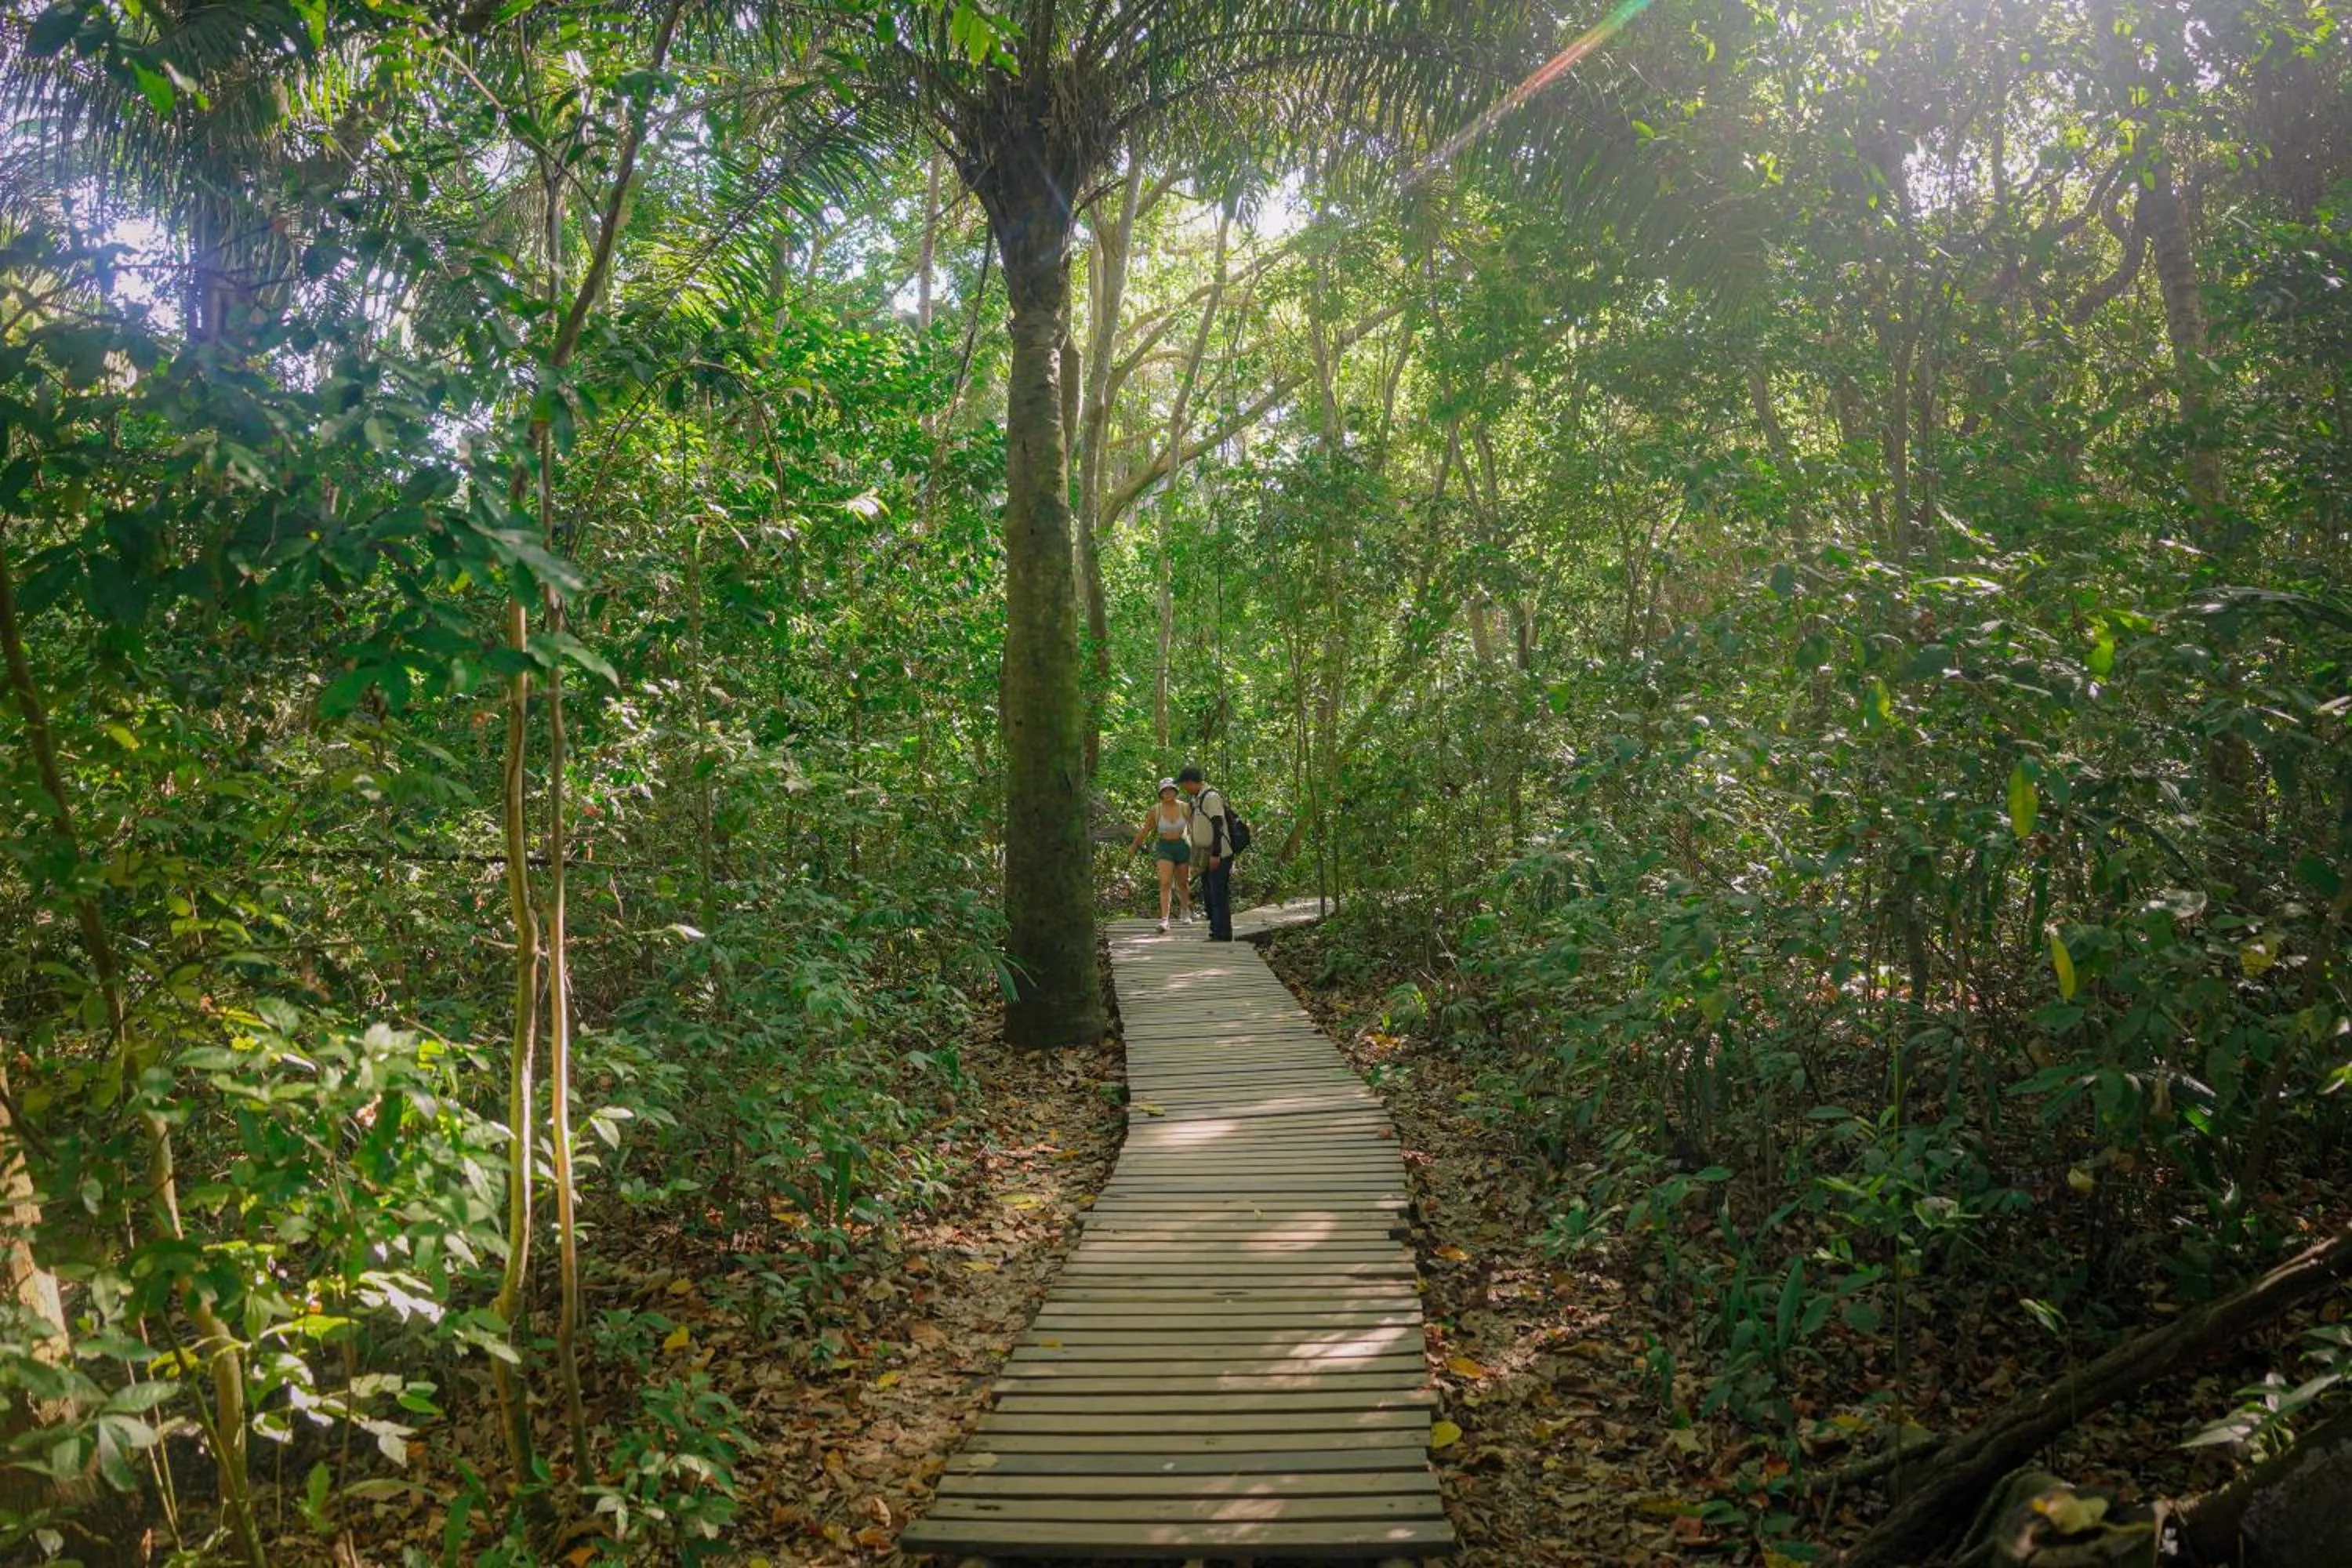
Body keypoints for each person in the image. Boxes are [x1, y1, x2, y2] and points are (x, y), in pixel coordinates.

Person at [1127, 777, 1196, 933]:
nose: (1168, 792)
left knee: (1183, 882)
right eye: (1165, 790)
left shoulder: (1185, 807)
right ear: (1161, 793)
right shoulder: (1156, 810)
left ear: (1176, 791)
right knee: (1165, 882)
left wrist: (1201, 847)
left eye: (1171, 789)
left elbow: (1194, 827)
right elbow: (1146, 829)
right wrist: (1134, 845)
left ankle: (1185, 911)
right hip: (1164, 847)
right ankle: (1164, 919)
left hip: (1182, 846)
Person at [1178, 765, 1233, 941]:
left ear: (1190, 783)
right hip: (1205, 854)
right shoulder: (1197, 799)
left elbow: (1218, 825)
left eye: (1185, 784)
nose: (1184, 788)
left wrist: (1216, 854)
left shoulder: (1211, 797)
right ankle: (1216, 930)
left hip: (1219, 853)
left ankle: (1223, 933)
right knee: (1210, 892)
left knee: (1218, 893)